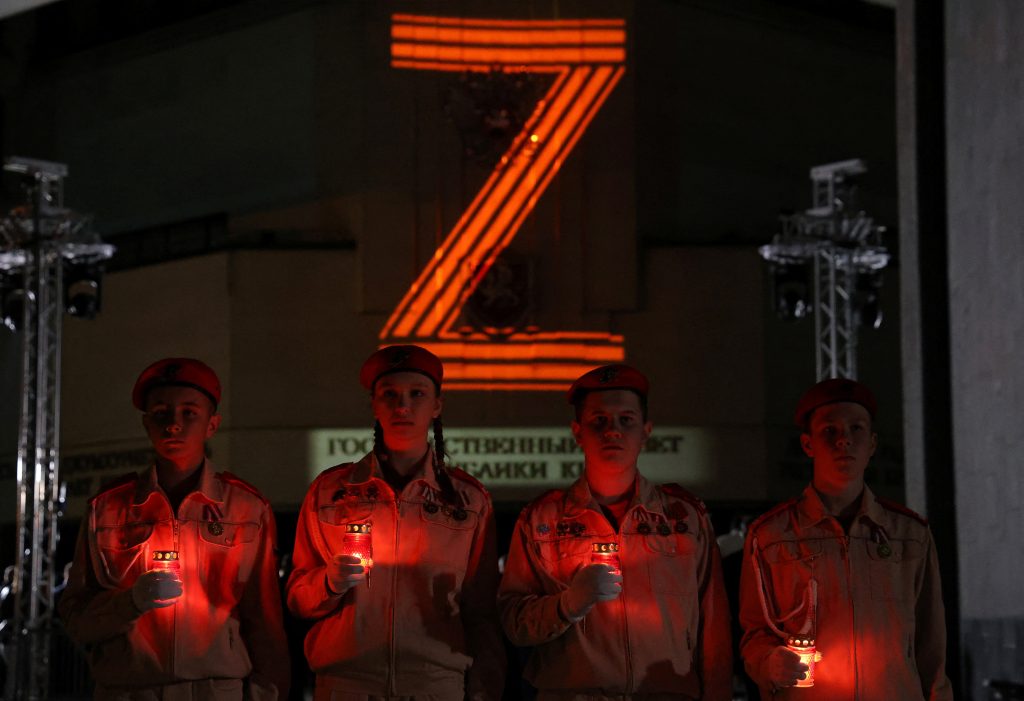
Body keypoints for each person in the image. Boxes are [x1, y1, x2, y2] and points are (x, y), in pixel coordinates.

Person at [498, 364, 732, 700]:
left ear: (646, 430)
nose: (613, 431)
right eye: (599, 421)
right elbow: (513, 620)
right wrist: (567, 605)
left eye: (626, 420)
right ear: (577, 432)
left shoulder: (684, 517)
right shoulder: (542, 520)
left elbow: (715, 626)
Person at [59, 357, 290, 700]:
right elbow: (77, 618)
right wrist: (130, 602)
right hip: (128, 690)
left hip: (216, 689)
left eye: (189, 413)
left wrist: (267, 693)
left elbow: (265, 619)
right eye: (161, 413)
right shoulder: (107, 509)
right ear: (146, 423)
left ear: (212, 424)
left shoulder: (246, 508)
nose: (173, 425)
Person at [286, 345, 505, 701]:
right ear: (374, 404)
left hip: (435, 682)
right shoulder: (330, 491)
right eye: (390, 395)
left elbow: (481, 608)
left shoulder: (468, 499)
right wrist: (329, 582)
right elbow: (297, 598)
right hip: (348, 682)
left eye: (417, 394)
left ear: (437, 406)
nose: (403, 406)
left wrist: (485, 688)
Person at [739, 378, 953, 700]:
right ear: (808, 444)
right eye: (830, 431)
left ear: (872, 444)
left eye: (856, 429)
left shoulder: (908, 535)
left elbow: (931, 643)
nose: (844, 441)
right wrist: (768, 663)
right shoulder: (771, 536)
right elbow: (754, 633)